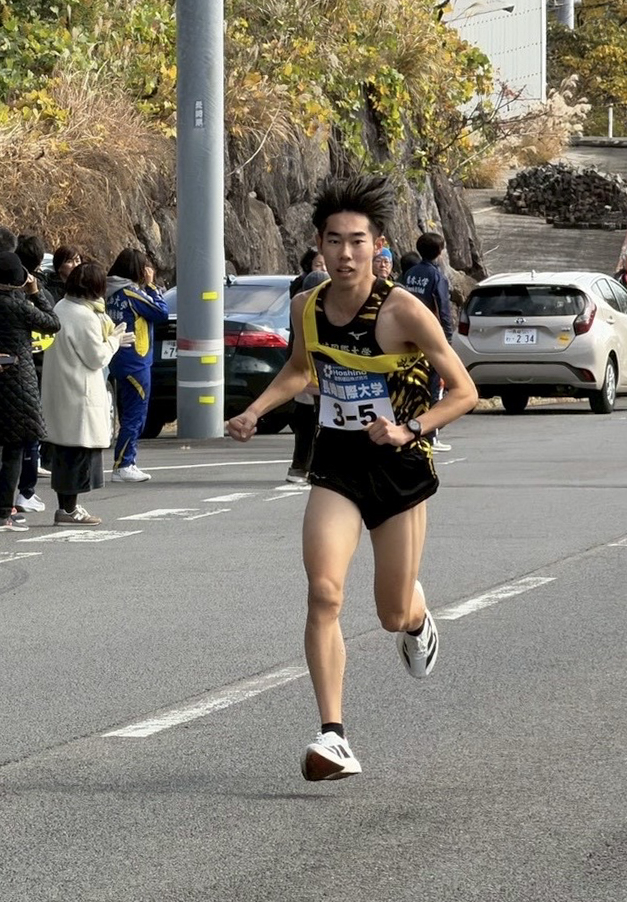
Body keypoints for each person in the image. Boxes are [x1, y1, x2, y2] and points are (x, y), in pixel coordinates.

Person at [228, 176, 477, 781]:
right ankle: (333, 735)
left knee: (391, 612)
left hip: (399, 468)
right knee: (324, 592)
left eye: (357, 241)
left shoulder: (402, 310)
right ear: (318, 245)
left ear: (378, 246)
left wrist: (409, 430)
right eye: (334, 241)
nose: (345, 253)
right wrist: (256, 410)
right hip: (337, 463)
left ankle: (416, 617)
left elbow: (464, 391)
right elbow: (300, 369)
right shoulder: (306, 307)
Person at [0, 252, 60, 532]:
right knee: (14, 449)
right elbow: (52, 323)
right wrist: (36, 292)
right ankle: (2, 514)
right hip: (18, 383)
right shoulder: (20, 306)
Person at [41, 262, 133, 526]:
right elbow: (97, 357)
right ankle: (69, 510)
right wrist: (113, 341)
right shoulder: (84, 316)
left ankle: (67, 507)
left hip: (62, 389)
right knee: (77, 453)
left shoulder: (62, 307)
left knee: (65, 453)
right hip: (79, 392)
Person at [105, 248, 168, 483]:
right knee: (135, 415)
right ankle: (124, 464)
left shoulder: (108, 291)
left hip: (118, 357)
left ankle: (126, 462)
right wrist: (151, 286)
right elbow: (161, 312)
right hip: (135, 361)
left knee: (129, 412)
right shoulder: (131, 293)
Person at [14, 234, 57, 514]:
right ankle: (24, 493)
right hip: (34, 367)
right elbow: (52, 322)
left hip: (12, 368)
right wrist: (35, 293)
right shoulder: (34, 294)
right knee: (31, 433)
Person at [402, 233, 455, 452]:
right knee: (434, 386)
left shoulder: (409, 274)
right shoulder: (436, 276)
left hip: (407, 335)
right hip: (429, 337)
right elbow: (443, 309)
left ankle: (408, 429)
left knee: (411, 384)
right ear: (440, 252)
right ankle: (430, 435)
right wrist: (447, 339)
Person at [286, 269, 329, 484]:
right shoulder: (305, 312)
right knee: (309, 425)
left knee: (309, 425)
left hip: (313, 380)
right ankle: (303, 467)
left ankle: (303, 467)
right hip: (311, 379)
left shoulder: (301, 309)